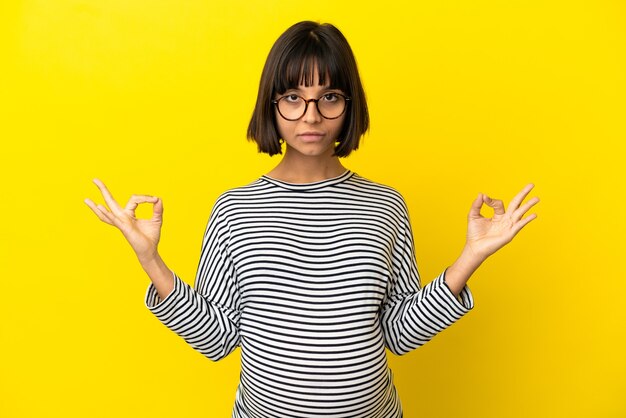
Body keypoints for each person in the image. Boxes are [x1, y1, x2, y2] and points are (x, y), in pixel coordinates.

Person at [85, 21, 539, 418]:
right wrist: (150, 259)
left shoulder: (384, 206)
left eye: (329, 98)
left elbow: (397, 332)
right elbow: (217, 338)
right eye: (293, 98)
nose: (312, 116)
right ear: (271, 104)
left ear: (349, 104)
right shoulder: (235, 210)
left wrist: (470, 257)